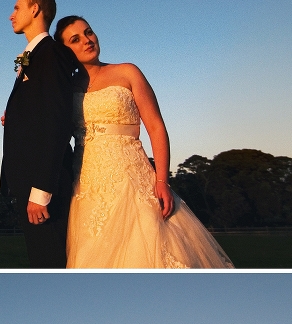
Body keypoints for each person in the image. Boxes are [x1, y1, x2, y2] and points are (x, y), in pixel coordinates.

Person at [55, 16, 233, 268]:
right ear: (65, 50)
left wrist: (162, 180)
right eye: (76, 39)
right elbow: (45, 121)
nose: (87, 40)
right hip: (86, 186)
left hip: (132, 177)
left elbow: (156, 127)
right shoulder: (63, 87)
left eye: (89, 32)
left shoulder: (127, 71)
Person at [0, 0, 77, 267]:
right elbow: (39, 107)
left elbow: (57, 121)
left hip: (43, 186)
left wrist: (41, 191)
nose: (11, 14)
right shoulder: (28, 56)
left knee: (50, 263)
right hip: (28, 181)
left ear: (35, 10)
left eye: (17, 7)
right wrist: (17, 115)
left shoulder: (53, 53)